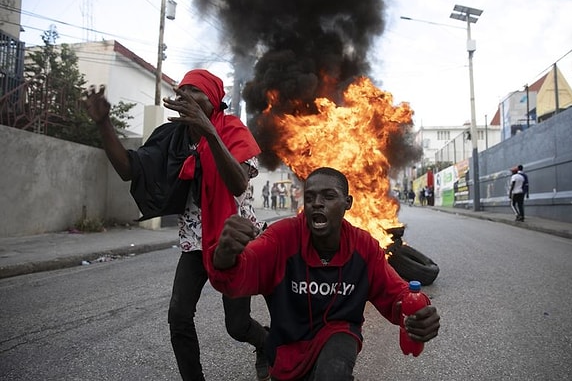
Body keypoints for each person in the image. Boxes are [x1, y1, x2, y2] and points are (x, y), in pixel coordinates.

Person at [82, 69, 269, 381]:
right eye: (182, 91)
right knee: (178, 316)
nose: (186, 97)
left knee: (237, 326)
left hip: (233, 242)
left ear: (213, 101)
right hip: (195, 243)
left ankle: (265, 343)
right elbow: (130, 169)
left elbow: (237, 183)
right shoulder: (172, 137)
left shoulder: (233, 130)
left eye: (195, 91)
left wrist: (209, 132)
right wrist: (104, 125)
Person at [208, 167, 441, 381]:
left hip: (339, 333)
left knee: (333, 373)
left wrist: (418, 313)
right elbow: (238, 275)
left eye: (328, 196)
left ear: (347, 203)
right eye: (309, 198)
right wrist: (225, 254)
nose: (317, 204)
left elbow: (395, 294)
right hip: (288, 346)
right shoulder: (282, 237)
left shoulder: (364, 246)